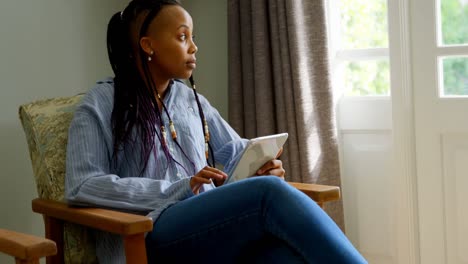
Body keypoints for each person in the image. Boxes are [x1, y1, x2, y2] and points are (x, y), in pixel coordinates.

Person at [65, 0, 367, 263]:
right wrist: (179, 188)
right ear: (149, 45)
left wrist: (259, 169)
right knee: (269, 196)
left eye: (192, 37)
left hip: (206, 227)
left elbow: (236, 153)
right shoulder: (102, 102)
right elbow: (82, 185)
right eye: (183, 37)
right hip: (149, 232)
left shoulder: (190, 100)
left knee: (283, 256)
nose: (194, 47)